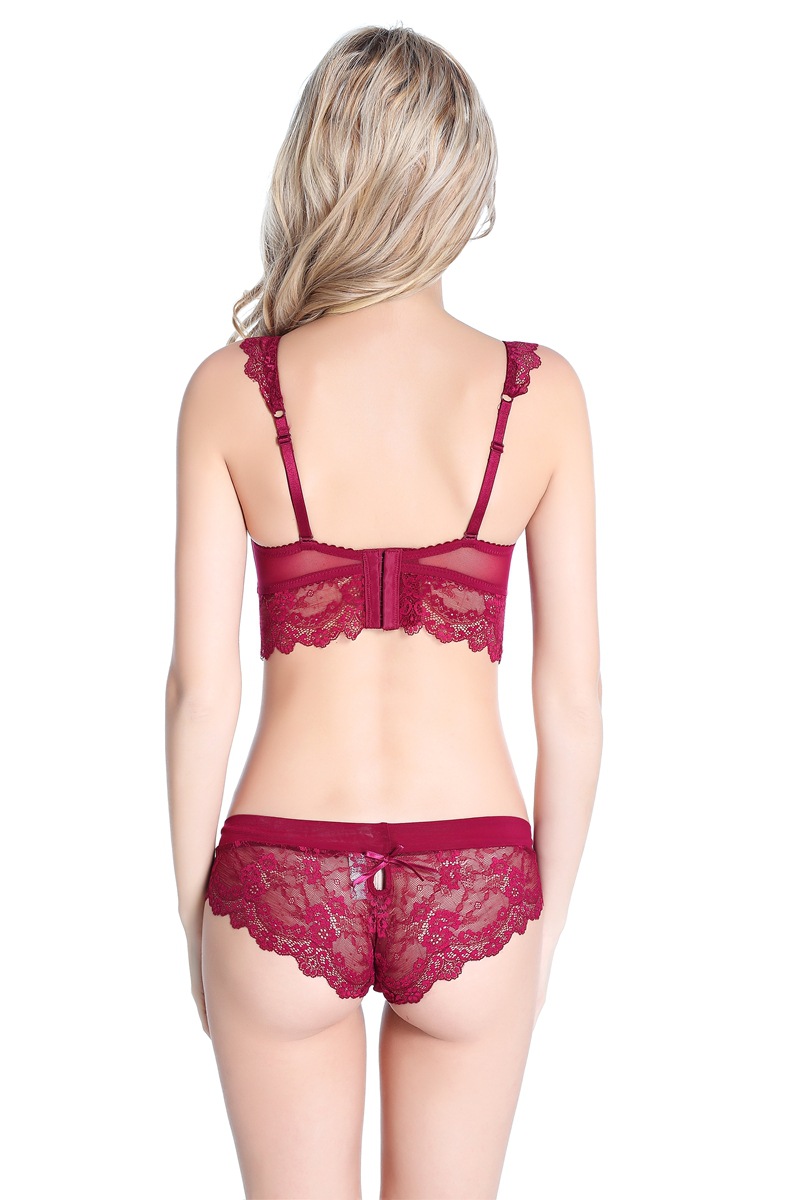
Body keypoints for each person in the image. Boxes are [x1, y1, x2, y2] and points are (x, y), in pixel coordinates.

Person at [165, 23, 602, 1200]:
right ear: (460, 179)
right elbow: (572, 706)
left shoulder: (231, 390)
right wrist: (545, 929)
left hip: (277, 866)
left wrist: (191, 917)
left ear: (316, 167)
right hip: (476, 871)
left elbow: (201, 692)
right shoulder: (539, 395)